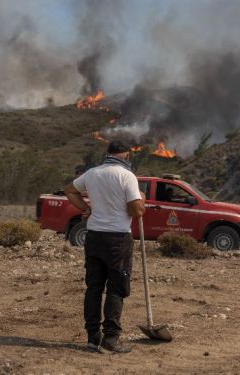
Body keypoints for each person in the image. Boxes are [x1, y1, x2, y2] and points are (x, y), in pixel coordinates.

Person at [65, 139, 145, 354]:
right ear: (126, 154)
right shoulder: (127, 176)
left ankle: (92, 338)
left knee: (94, 288)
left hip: (94, 237)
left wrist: (86, 209)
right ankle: (111, 339)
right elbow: (136, 211)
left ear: (108, 153)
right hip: (118, 239)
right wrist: (142, 200)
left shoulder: (92, 173)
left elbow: (70, 190)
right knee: (116, 289)